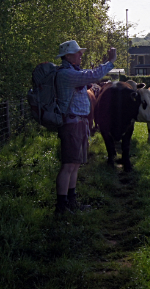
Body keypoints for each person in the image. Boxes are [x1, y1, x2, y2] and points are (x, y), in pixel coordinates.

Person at [54, 40, 117, 215]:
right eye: (77, 52)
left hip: (79, 123)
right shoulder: (66, 74)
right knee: (68, 165)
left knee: (75, 165)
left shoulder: (73, 72)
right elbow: (92, 76)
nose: (81, 54)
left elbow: (88, 74)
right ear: (67, 56)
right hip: (71, 124)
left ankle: (71, 201)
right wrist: (110, 62)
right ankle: (61, 206)